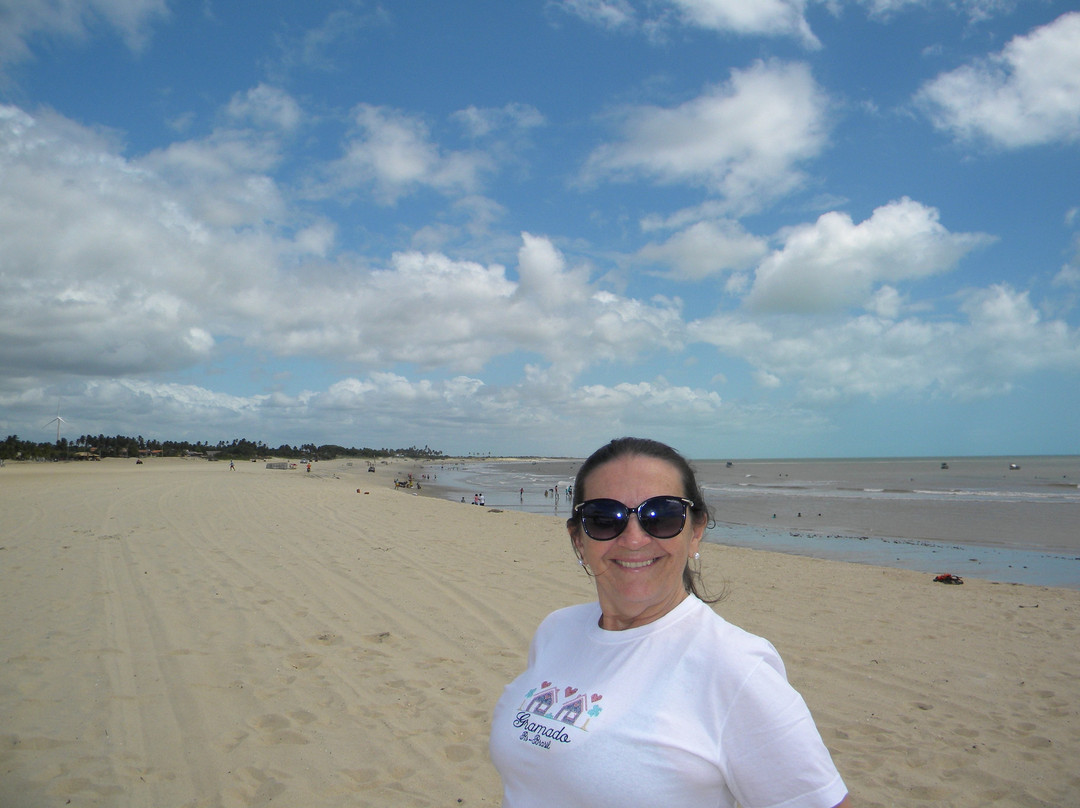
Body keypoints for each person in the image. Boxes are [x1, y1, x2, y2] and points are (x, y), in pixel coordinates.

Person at [490, 437, 849, 808]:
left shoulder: (737, 668)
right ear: (578, 539)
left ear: (695, 531)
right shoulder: (556, 630)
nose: (633, 539)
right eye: (603, 517)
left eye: (661, 516)